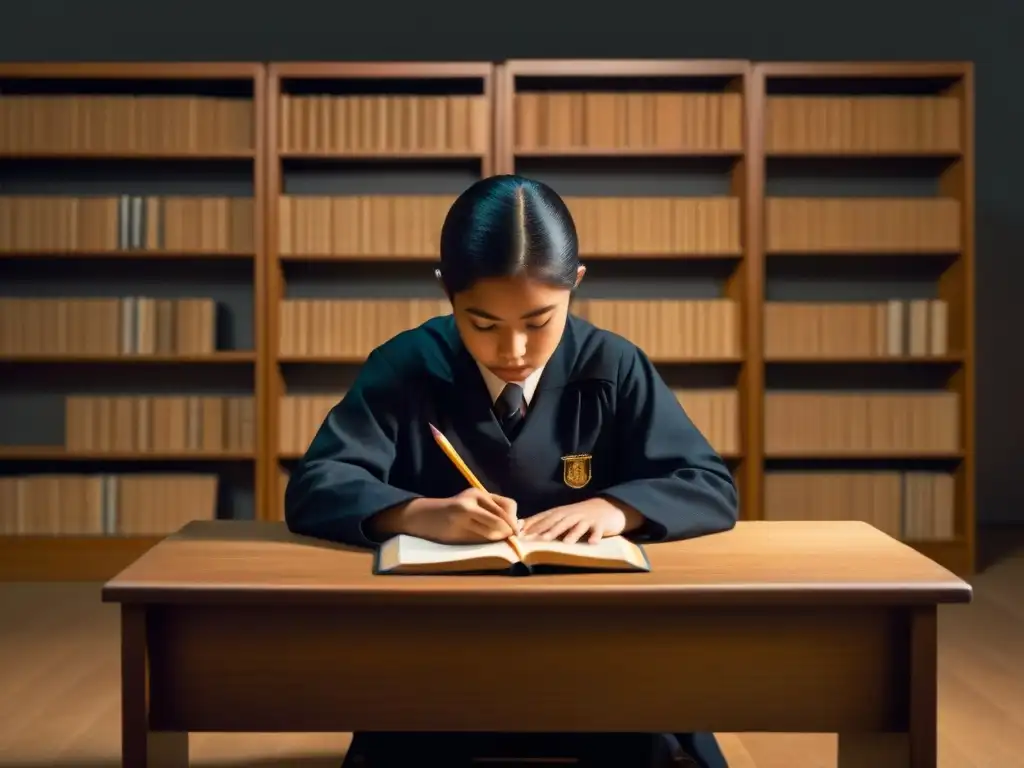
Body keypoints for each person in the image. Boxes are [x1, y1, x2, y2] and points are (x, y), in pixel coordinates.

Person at [285, 174, 738, 768]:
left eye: (539, 320)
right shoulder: (406, 364)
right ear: (447, 291)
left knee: (641, 731)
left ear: (575, 285)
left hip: (594, 643)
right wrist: (420, 514)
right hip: (439, 643)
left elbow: (708, 484)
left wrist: (617, 507)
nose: (515, 350)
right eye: (483, 323)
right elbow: (317, 483)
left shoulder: (613, 364)